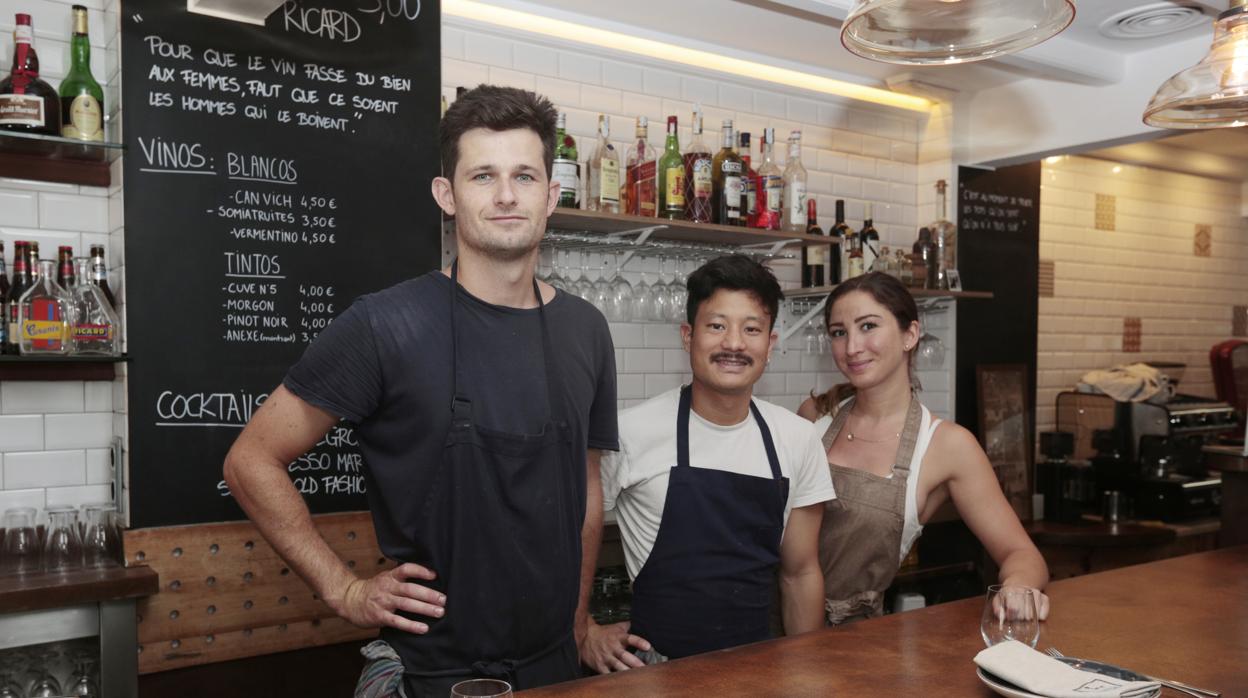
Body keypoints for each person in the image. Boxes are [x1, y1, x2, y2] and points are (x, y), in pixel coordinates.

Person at [222, 85, 619, 697]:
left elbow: (585, 488)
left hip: (555, 667)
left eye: (525, 176)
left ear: (552, 196)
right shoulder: (384, 325)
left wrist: (578, 617)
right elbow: (251, 461)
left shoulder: (587, 330)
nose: (507, 195)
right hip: (431, 672)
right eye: (483, 175)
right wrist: (344, 588)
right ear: (447, 196)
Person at [581, 255, 835, 673]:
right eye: (716, 326)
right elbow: (568, 537)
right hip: (653, 672)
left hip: (760, 665)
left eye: (751, 329)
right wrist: (585, 630)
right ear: (688, 336)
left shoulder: (797, 438)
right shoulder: (629, 433)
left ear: (770, 344)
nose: (733, 344)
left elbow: (801, 573)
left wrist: (802, 668)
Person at [797, 271, 1049, 626]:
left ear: (910, 334)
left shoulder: (947, 445)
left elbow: (1022, 553)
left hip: (849, 644)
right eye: (839, 332)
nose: (852, 347)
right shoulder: (814, 418)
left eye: (868, 326)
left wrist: (1018, 587)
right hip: (768, 626)